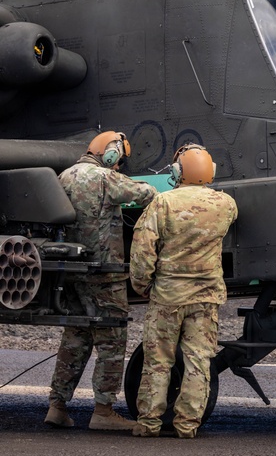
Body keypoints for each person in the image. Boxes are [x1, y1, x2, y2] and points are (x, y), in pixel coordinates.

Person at [44, 131, 158, 431]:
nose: (118, 166)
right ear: (110, 153)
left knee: (76, 336)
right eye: (119, 160)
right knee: (112, 338)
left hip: (71, 273)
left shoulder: (65, 176)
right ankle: (103, 411)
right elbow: (145, 194)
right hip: (103, 273)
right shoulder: (105, 178)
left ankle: (57, 405)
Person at [129, 144, 237, 439]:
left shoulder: (163, 203)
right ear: (210, 172)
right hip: (205, 298)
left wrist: (142, 285)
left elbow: (142, 250)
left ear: (177, 172)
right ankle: (188, 425)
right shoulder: (226, 204)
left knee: (158, 362)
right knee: (199, 361)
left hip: (167, 297)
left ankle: (149, 423)